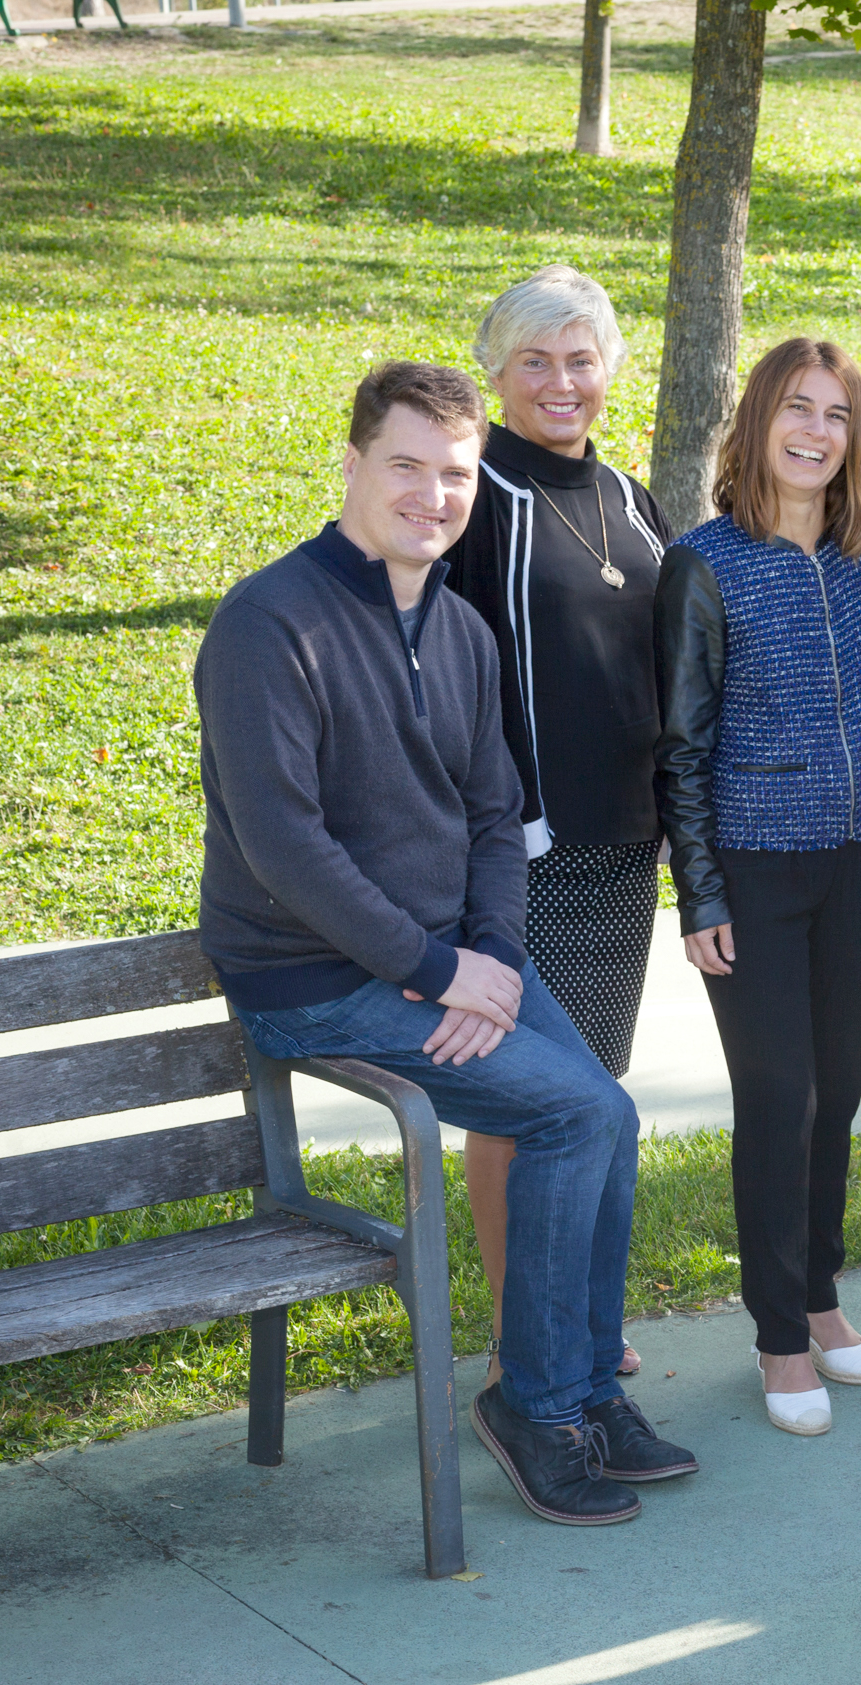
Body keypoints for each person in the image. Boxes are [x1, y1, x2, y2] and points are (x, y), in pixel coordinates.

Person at [195, 361, 694, 1529]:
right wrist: (434, 971)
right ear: (353, 464)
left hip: (449, 958)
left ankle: (582, 1385)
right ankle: (536, 1405)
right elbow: (286, 847)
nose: (432, 495)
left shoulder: (460, 628)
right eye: (406, 466)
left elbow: (492, 814)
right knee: (573, 1112)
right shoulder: (268, 624)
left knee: (606, 1113)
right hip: (314, 978)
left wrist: (495, 957)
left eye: (454, 473)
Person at [654, 337, 861, 1438]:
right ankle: (775, 1336)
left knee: (835, 1095)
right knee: (779, 1100)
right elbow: (680, 744)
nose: (815, 431)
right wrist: (700, 892)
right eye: (796, 408)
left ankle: (819, 1296)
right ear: (757, 422)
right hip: (753, 871)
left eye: (837, 414)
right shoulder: (703, 563)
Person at [448, 264, 669, 1388]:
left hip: (623, 852)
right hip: (522, 861)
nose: (559, 382)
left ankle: (574, 1317)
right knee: (522, 1105)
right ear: (495, 373)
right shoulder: (472, 497)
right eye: (533, 360)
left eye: (580, 359)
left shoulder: (631, 498)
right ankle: (518, 1336)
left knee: (594, 1096)